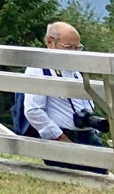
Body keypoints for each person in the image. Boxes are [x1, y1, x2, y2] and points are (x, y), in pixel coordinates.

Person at [21, 21, 107, 171]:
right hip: (63, 139)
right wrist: (61, 139)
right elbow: (33, 111)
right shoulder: (39, 68)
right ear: (50, 42)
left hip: (87, 136)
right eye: (68, 47)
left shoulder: (74, 69)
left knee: (103, 174)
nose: (74, 52)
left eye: (77, 48)